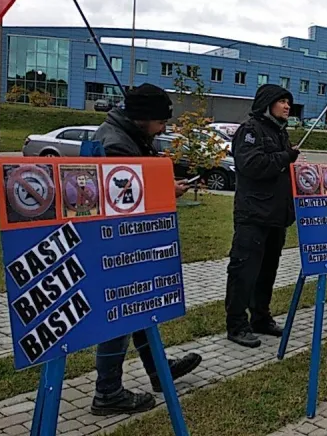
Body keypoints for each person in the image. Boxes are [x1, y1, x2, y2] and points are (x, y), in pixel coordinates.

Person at [90, 83, 202, 415]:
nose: (164, 128)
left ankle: (157, 370)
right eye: (160, 122)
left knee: (137, 306)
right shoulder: (116, 145)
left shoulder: (128, 137)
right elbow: (125, 198)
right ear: (142, 117)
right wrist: (167, 192)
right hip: (116, 242)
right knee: (120, 316)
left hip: (125, 241)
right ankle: (108, 392)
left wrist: (164, 181)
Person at [225, 84, 300, 348]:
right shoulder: (250, 131)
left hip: (276, 216)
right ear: (267, 103)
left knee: (267, 271)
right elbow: (251, 165)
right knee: (244, 271)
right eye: (282, 101)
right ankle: (236, 324)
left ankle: (261, 316)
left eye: (288, 102)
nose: (287, 106)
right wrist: (285, 157)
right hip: (253, 215)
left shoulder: (280, 132)